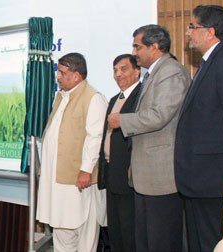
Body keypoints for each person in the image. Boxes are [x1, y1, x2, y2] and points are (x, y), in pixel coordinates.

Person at [107, 24, 190, 251]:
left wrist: (122, 121)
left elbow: (159, 116)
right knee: (145, 240)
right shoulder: (153, 73)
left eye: (137, 46)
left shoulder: (171, 71)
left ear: (154, 47)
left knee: (161, 240)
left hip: (162, 177)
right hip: (146, 175)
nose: (134, 52)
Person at [175, 5, 223, 251]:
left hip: (217, 180)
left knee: (214, 241)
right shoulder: (210, 61)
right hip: (201, 179)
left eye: (192, 27)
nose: (187, 33)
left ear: (210, 32)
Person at [36, 52, 107, 252]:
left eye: (62, 72)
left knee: (83, 235)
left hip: (78, 181)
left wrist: (86, 170)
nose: (57, 76)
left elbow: (95, 138)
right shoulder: (61, 97)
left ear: (76, 75)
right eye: (58, 71)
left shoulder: (93, 98)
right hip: (57, 181)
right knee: (61, 229)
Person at [98, 54, 141, 252]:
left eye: (123, 69)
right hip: (111, 172)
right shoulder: (115, 99)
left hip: (129, 174)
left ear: (137, 71)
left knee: (129, 230)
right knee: (114, 230)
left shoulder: (141, 96)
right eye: (115, 70)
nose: (118, 74)